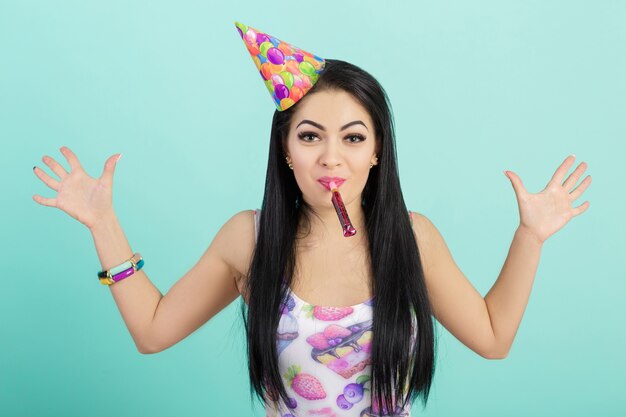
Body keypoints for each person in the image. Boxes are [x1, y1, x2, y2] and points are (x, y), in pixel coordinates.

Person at [31, 22, 592, 417]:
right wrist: (103, 223)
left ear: (377, 152)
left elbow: (493, 339)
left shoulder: (411, 238)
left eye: (352, 138)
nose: (331, 158)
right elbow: (153, 332)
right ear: (285, 149)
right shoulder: (247, 239)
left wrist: (530, 236)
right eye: (309, 136)